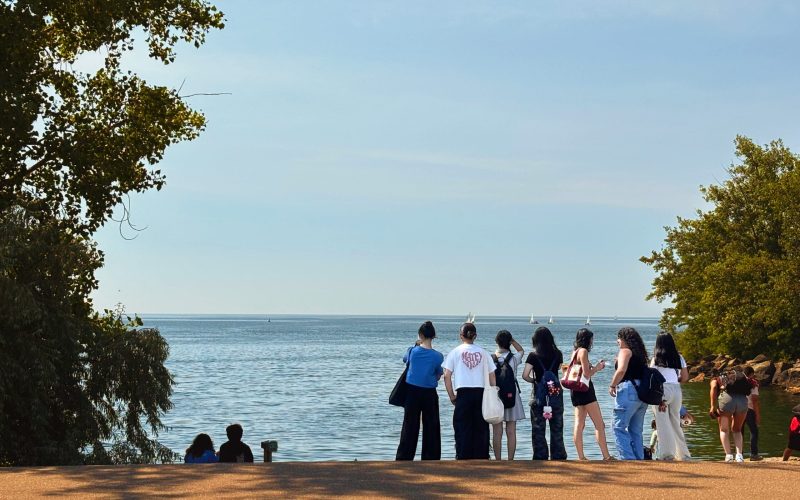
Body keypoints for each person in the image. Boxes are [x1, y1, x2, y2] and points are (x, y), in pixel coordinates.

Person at [443, 322, 496, 460]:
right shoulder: (483, 353)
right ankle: (481, 455)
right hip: (480, 392)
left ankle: (462, 455)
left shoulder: (455, 352)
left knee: (461, 425)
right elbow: (492, 375)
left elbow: (447, 375)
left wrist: (451, 395)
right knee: (481, 426)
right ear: (475, 336)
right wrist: (493, 393)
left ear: (461, 336)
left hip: (463, 392)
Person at [396, 320, 444, 460]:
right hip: (429, 392)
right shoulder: (438, 356)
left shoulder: (412, 351)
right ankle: (431, 457)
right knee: (431, 425)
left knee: (410, 425)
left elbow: (405, 360)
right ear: (433, 336)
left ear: (420, 335)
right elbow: (438, 374)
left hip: (412, 391)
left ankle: (404, 456)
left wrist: (414, 344)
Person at [567, 328, 612, 460]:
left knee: (579, 423)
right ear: (587, 340)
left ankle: (581, 456)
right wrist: (598, 368)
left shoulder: (574, 352)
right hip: (586, 391)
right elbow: (587, 374)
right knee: (599, 424)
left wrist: (592, 367)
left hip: (575, 390)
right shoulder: (584, 351)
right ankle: (606, 456)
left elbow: (580, 370)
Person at [522, 326, 566, 460]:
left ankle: (540, 455)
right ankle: (558, 455)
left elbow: (525, 375)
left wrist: (535, 381)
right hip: (555, 394)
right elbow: (561, 370)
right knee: (557, 427)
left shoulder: (533, 355)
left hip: (538, 395)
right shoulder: (558, 354)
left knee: (538, 428)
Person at [608, 327, 649, 460]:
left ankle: (627, 459)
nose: (617, 341)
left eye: (618, 338)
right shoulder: (640, 354)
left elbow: (621, 371)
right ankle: (639, 459)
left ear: (624, 339)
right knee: (636, 430)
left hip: (628, 391)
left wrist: (612, 385)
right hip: (641, 392)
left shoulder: (625, 351)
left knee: (618, 427)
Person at [650, 332, 691, 460]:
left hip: (662, 391)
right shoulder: (679, 357)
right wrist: (675, 379)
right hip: (676, 390)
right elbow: (685, 378)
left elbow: (652, 377)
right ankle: (684, 455)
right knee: (675, 423)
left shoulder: (656, 359)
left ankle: (667, 455)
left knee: (663, 424)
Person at [491, 329, 525, 460]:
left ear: (496, 342)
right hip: (512, 397)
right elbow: (521, 351)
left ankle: (498, 460)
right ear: (509, 343)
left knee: (497, 432)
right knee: (511, 431)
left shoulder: (491, 358)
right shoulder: (514, 358)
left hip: (496, 397)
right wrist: (513, 340)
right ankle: (511, 460)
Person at [710, 367, 752, 462]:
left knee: (724, 430)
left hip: (727, 400)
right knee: (737, 430)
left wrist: (713, 406)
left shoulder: (716, 378)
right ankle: (739, 456)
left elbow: (713, 388)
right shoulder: (739, 377)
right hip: (742, 401)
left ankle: (729, 456)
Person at [742, 366, 762, 461]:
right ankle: (754, 454)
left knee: (739, 432)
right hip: (749, 410)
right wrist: (757, 415)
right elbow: (754, 401)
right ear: (751, 374)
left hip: (738, 409)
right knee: (754, 431)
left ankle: (739, 455)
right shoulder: (753, 383)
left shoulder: (739, 383)